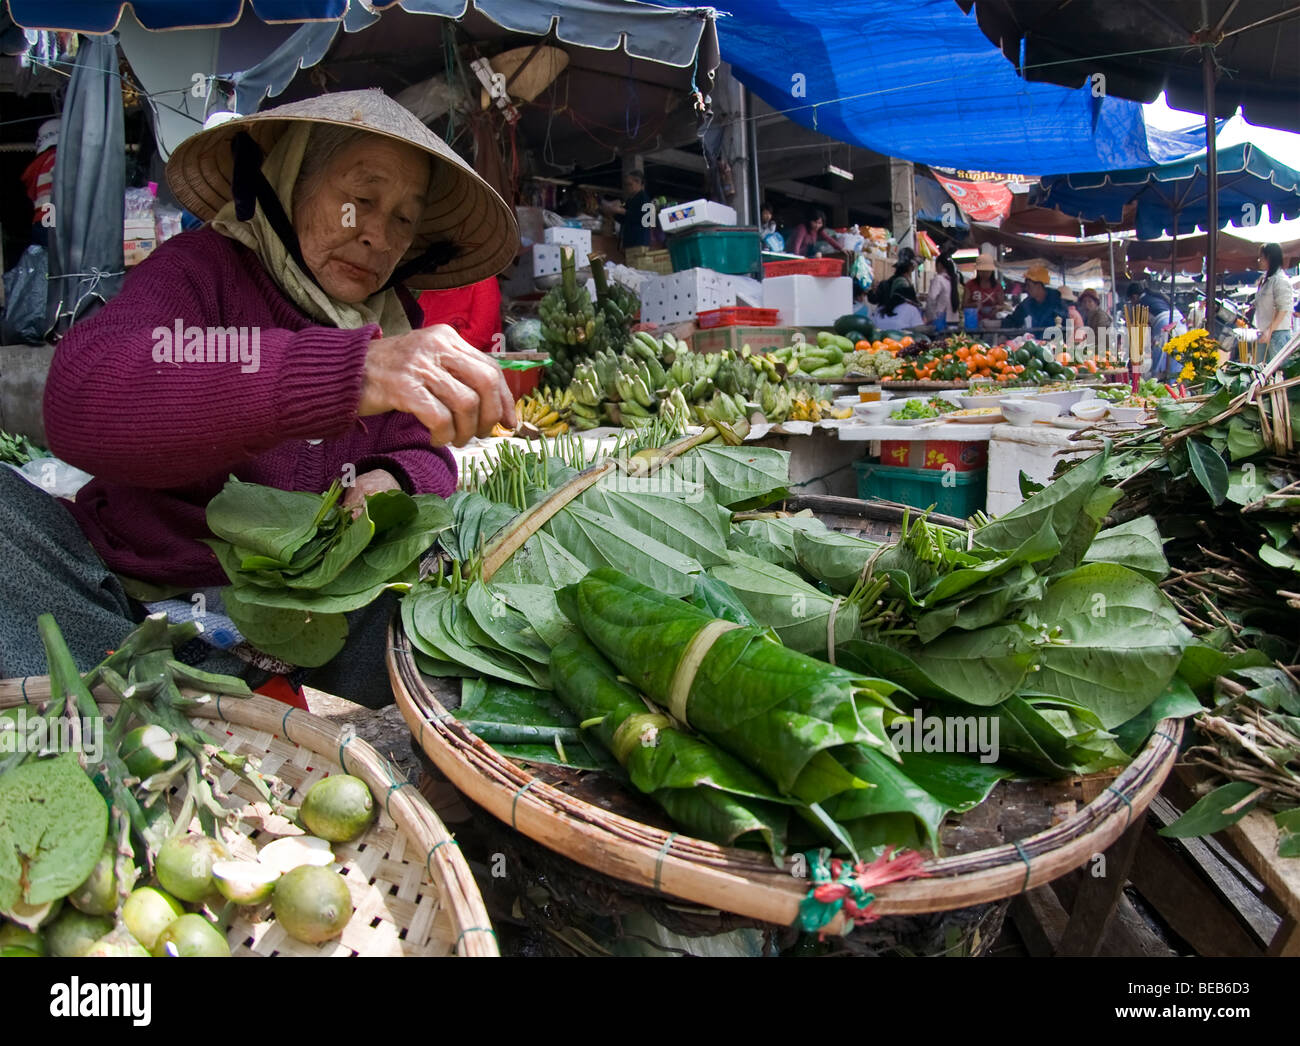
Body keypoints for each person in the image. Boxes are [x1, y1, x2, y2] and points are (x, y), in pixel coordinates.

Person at [2, 90, 518, 708]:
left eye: (404, 218)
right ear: (291, 180)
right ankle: (155, 694)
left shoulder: (390, 322)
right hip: (134, 598)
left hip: (300, 622)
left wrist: (390, 478)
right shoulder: (199, 272)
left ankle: (211, 698)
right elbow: (84, 394)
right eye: (361, 199)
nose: (378, 236)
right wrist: (347, 375)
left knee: (471, 569)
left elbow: (423, 452)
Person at [418, 277, 502, 352]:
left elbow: (478, 338)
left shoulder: (483, 281)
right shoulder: (430, 290)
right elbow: (418, 335)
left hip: (475, 363)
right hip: (432, 361)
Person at [1125, 281, 1186, 378]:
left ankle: (1156, 380)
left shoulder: (1139, 304)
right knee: (1176, 357)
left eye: (1131, 301)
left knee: (1159, 356)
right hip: (1180, 323)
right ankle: (1174, 381)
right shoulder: (1155, 296)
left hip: (1165, 323)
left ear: (1134, 297)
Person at [1254, 243, 1295, 360]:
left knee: (1278, 372)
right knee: (1261, 371)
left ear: (1269, 258)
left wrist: (1269, 330)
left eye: (1261, 257)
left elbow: (1283, 309)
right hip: (1264, 332)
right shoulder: (1264, 279)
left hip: (1277, 333)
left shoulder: (1280, 280)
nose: (1259, 260)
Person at [1002, 264, 1067, 333]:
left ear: (1038, 286)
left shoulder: (1057, 302)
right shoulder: (1027, 304)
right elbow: (1014, 320)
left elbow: (1067, 326)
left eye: (1028, 285)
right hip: (1035, 342)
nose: (1026, 289)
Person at [872, 247, 924, 328]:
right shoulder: (902, 282)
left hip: (883, 316)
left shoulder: (892, 280)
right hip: (897, 317)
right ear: (910, 266)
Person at [610, 170, 653, 251]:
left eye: (630, 184)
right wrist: (614, 213)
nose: (627, 187)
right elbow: (625, 219)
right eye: (626, 185)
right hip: (630, 242)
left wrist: (622, 211)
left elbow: (648, 220)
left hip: (640, 241)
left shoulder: (645, 198)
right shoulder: (630, 200)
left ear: (638, 183)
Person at [963, 255, 1005, 325]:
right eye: (982, 271)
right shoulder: (970, 285)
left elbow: (1002, 305)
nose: (984, 273)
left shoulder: (997, 286)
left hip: (992, 322)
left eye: (987, 271)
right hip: (973, 321)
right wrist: (974, 305)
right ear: (978, 270)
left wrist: (997, 308)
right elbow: (964, 305)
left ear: (992, 271)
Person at [926, 252, 961, 328]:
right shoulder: (954, 279)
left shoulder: (939, 279)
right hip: (954, 321)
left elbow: (931, 299)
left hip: (941, 322)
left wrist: (929, 317)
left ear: (939, 265)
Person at [1077, 287, 1115, 356]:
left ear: (1096, 303)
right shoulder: (1089, 316)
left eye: (1090, 301)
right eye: (1084, 302)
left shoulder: (1101, 316)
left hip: (1105, 353)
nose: (1086, 304)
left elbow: (1101, 338)